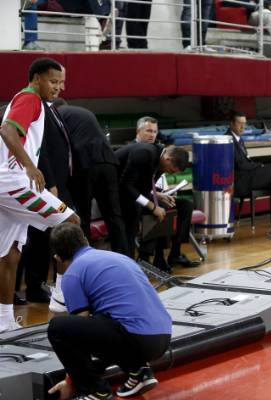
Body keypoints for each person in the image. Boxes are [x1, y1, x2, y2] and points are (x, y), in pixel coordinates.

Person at [47, 224, 171, 400]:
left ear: (58, 258)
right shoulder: (119, 257)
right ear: (86, 240)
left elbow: (80, 336)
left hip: (136, 339)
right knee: (108, 319)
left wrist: (71, 381)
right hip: (163, 337)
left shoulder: (72, 274)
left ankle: (95, 391)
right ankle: (139, 373)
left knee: (58, 327)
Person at [0, 57, 79, 332]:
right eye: (53, 81)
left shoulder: (27, 100)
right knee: (71, 224)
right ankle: (60, 299)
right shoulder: (30, 98)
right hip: (14, 183)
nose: (59, 87)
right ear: (36, 79)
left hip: (6, 184)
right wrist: (31, 167)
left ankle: (4, 322)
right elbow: (7, 129)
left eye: (62, 82)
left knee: (10, 255)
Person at [53, 99, 128, 255]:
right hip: (108, 162)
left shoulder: (57, 114)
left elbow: (59, 146)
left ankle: (85, 257)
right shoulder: (84, 111)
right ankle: (124, 257)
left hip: (85, 164)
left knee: (83, 216)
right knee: (114, 215)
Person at [133, 116, 200, 268]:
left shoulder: (158, 152)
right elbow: (135, 187)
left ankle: (175, 253)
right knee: (163, 207)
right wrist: (156, 197)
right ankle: (154, 256)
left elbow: (155, 181)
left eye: (155, 132)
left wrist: (164, 193)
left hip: (153, 194)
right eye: (148, 131)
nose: (152, 135)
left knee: (186, 205)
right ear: (138, 131)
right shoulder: (136, 151)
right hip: (135, 198)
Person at [115, 143, 189, 262]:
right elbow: (125, 186)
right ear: (168, 159)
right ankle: (127, 261)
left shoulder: (159, 161)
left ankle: (150, 257)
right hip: (110, 190)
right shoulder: (144, 153)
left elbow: (142, 189)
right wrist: (152, 207)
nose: (170, 173)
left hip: (126, 191)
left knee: (163, 207)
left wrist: (158, 196)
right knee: (136, 210)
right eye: (170, 170)